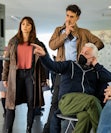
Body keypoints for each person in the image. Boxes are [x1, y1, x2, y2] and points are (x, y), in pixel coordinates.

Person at [43, 4, 104, 133]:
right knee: (55, 103)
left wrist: (89, 53)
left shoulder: (83, 32)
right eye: (67, 15)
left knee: (78, 99)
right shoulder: (59, 30)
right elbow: (52, 45)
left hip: (76, 70)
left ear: (77, 18)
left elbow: (99, 43)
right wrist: (65, 34)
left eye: (72, 16)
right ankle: (50, 130)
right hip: (61, 69)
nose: (68, 19)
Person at [32, 42, 111, 133]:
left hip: (83, 106)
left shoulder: (95, 72)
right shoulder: (70, 65)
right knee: (92, 100)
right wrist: (44, 56)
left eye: (86, 53)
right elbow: (53, 66)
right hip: (67, 102)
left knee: (85, 117)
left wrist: (96, 65)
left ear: (93, 58)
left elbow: (109, 77)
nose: (82, 54)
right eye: (81, 52)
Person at [2, 16, 48, 133]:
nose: (25, 26)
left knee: (31, 103)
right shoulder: (13, 42)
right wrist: (4, 77)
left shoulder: (37, 43)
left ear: (32, 27)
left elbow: (43, 62)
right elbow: (7, 61)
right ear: (20, 26)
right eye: (23, 24)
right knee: (11, 104)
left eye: (28, 24)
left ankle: (28, 129)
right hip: (16, 75)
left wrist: (44, 78)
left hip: (30, 76)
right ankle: (8, 129)